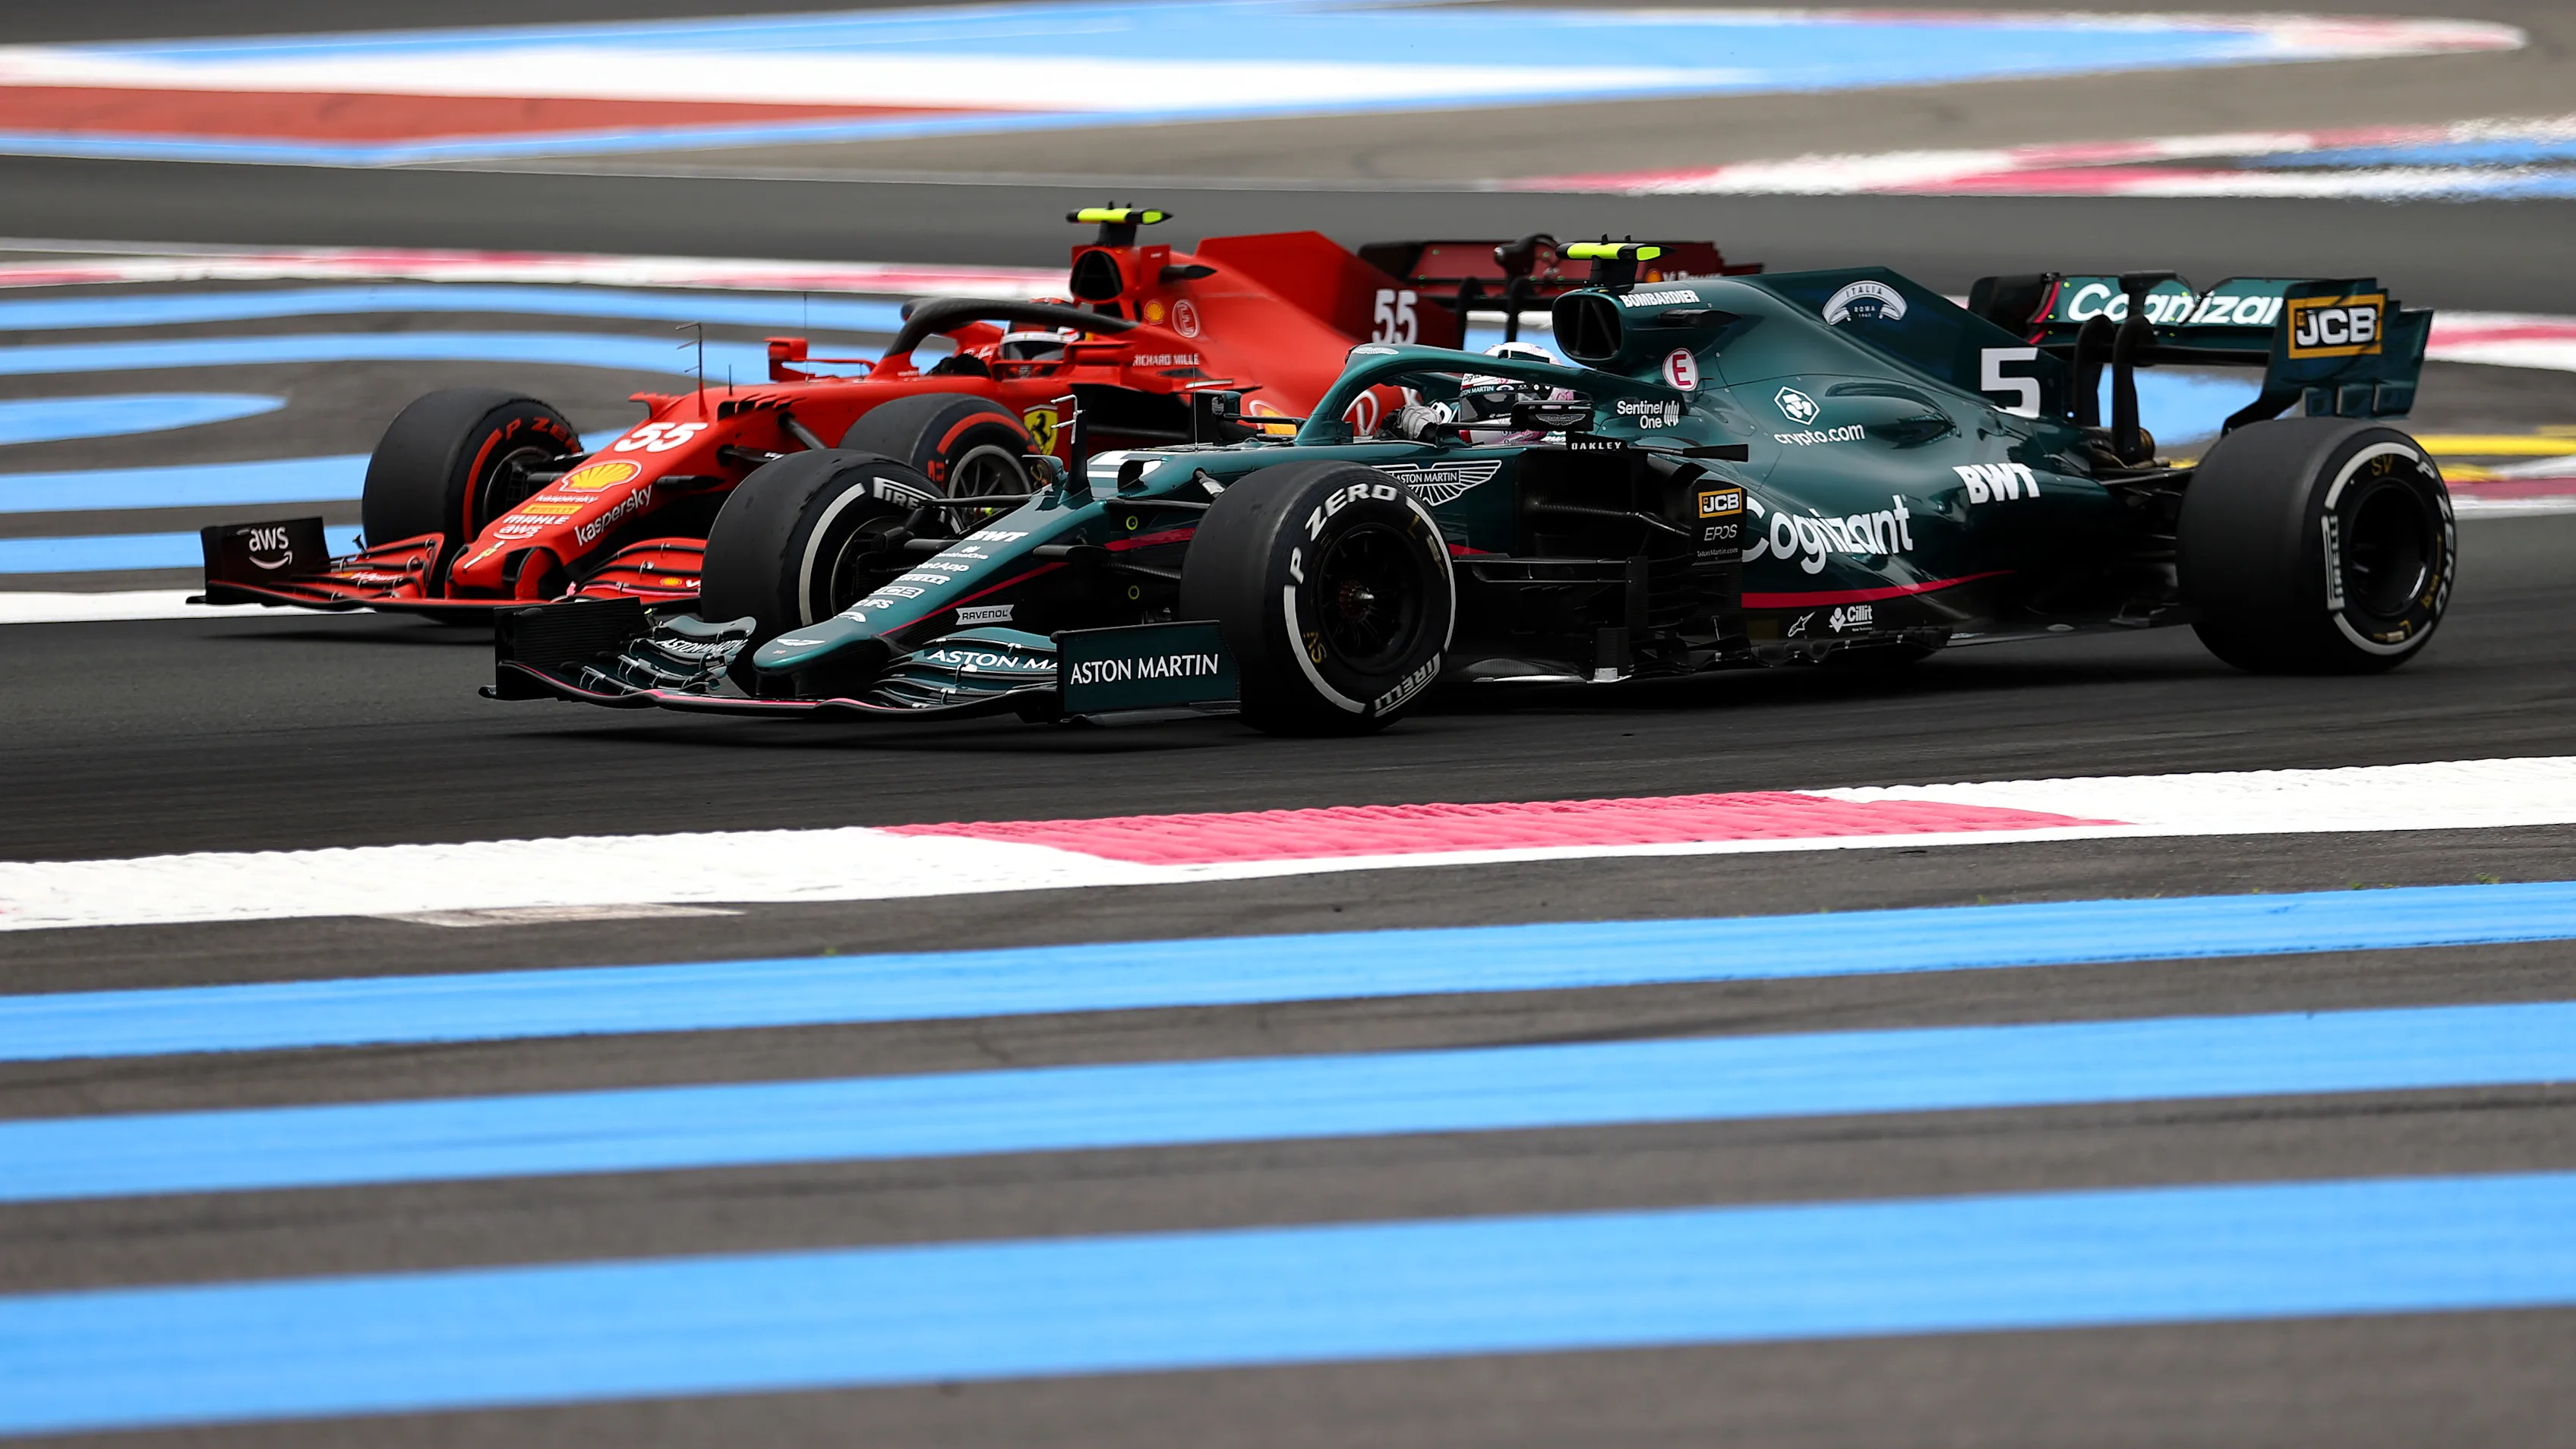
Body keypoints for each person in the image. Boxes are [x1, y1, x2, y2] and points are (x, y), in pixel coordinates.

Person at [1388, 341, 1573, 444]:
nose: (1476, 415)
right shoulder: (1446, 424)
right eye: (1472, 405)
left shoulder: (1575, 450)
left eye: (1495, 401)